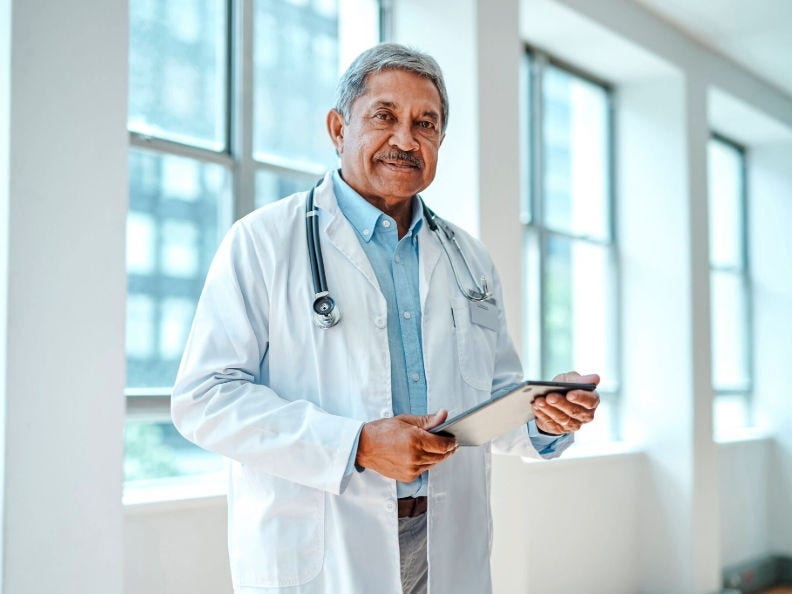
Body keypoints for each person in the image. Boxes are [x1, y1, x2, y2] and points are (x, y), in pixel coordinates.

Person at [172, 42, 600, 594]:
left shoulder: (469, 258)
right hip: (323, 544)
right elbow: (204, 397)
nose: (406, 139)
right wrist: (355, 444)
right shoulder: (263, 242)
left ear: (441, 141)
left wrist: (541, 413)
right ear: (337, 128)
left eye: (426, 123)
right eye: (384, 116)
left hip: (446, 539)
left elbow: (489, 397)